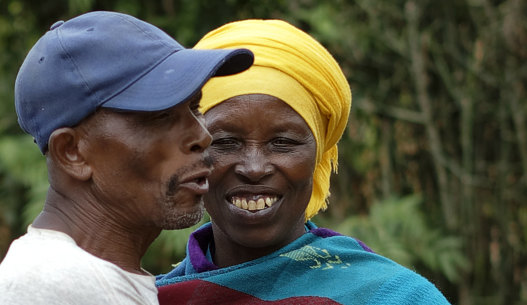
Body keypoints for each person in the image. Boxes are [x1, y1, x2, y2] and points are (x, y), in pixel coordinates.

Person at [155, 19, 451, 304]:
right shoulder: (147, 298)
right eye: (225, 142)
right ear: (193, 150)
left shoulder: (394, 297)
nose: (254, 168)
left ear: (318, 155)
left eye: (282, 143)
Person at [0, 11, 253, 305]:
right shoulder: (51, 287)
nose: (202, 135)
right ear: (72, 152)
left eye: (195, 107)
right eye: (161, 116)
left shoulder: (94, 284)